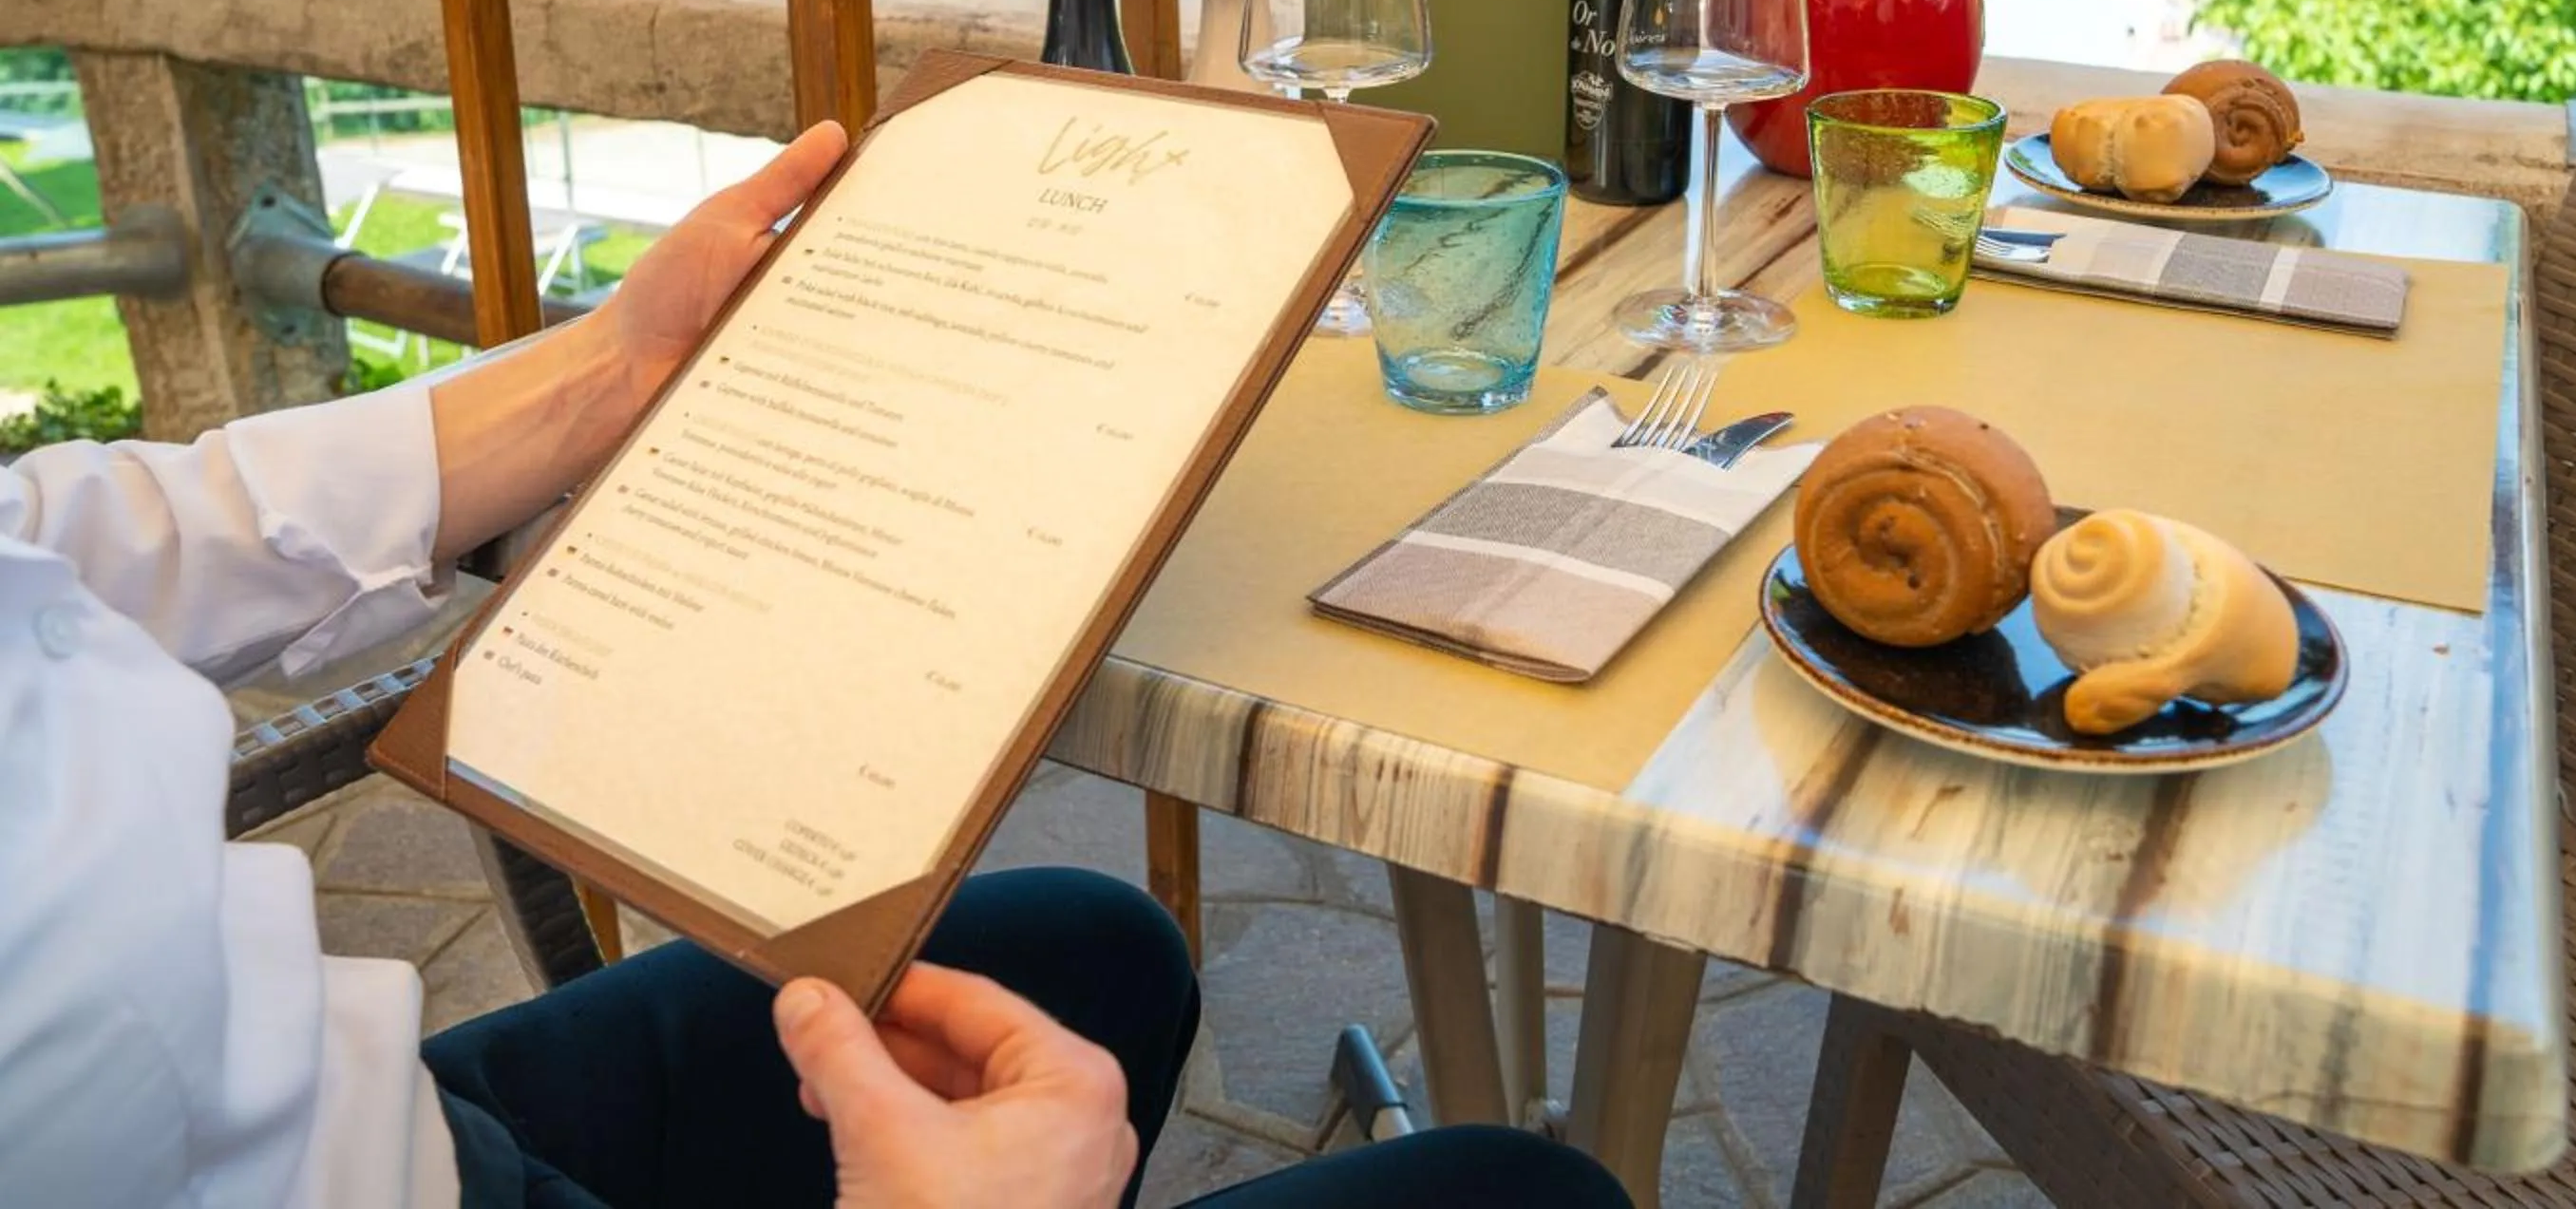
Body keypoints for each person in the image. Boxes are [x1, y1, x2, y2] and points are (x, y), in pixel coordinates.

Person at [0, 125, 1627, 1209]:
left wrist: (615, 365)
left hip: (354, 1122)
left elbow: (73, 539)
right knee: (1525, 1193)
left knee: (1093, 946)